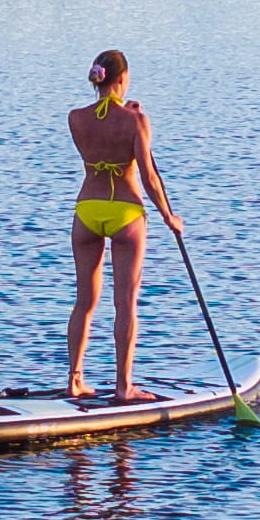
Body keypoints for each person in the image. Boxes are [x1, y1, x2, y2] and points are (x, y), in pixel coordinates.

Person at [65, 49, 177, 401]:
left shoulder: (75, 118)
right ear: (123, 79)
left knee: (84, 300)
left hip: (87, 211)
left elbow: (100, 128)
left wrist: (128, 114)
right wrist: (168, 216)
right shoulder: (135, 121)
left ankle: (75, 379)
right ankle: (124, 387)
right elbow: (149, 177)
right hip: (125, 213)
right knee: (125, 303)